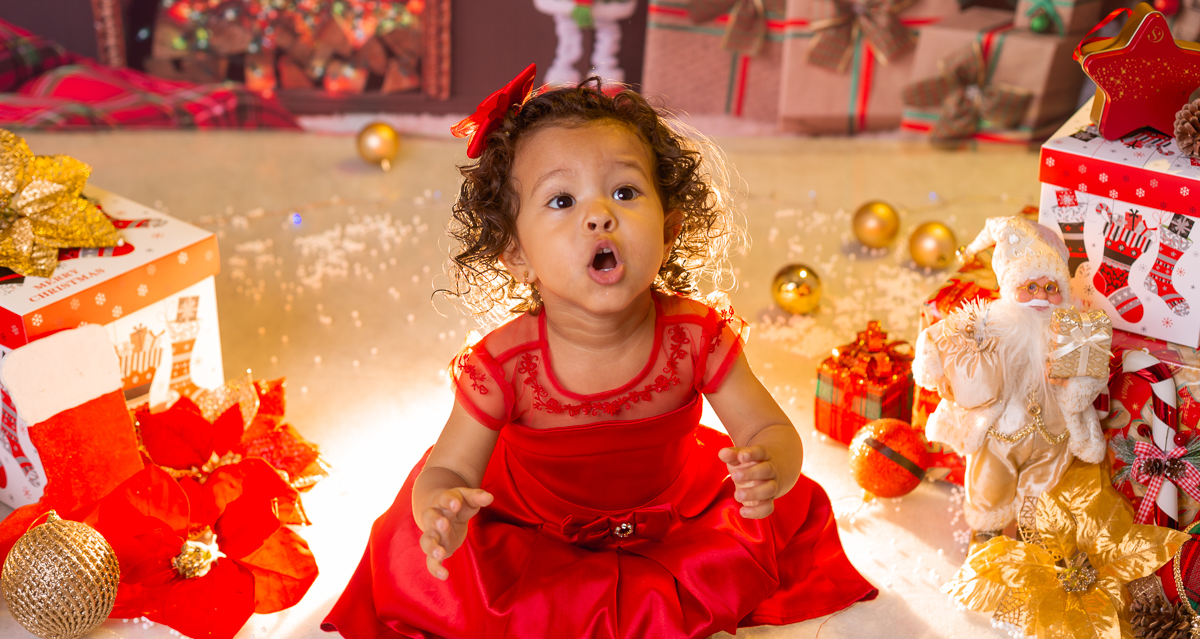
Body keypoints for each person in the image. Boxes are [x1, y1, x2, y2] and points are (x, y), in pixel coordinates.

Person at [322, 65, 876, 639]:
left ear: (668, 229)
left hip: (673, 514)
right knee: (466, 583)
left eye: (625, 191)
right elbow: (449, 468)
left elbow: (771, 432)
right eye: (561, 199)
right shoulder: (504, 366)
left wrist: (770, 468)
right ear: (516, 252)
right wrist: (441, 509)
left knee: (752, 539)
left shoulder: (696, 337)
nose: (598, 213)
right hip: (529, 526)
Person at [913, 215, 1107, 545]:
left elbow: (1091, 381)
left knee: (1043, 494)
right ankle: (985, 537)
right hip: (1000, 433)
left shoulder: (1075, 328)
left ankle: (1033, 541)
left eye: (1051, 288)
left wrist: (1073, 382)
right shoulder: (989, 320)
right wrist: (940, 374)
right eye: (1030, 287)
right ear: (1011, 287)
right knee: (989, 484)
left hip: (1053, 437)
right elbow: (936, 337)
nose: (1041, 297)